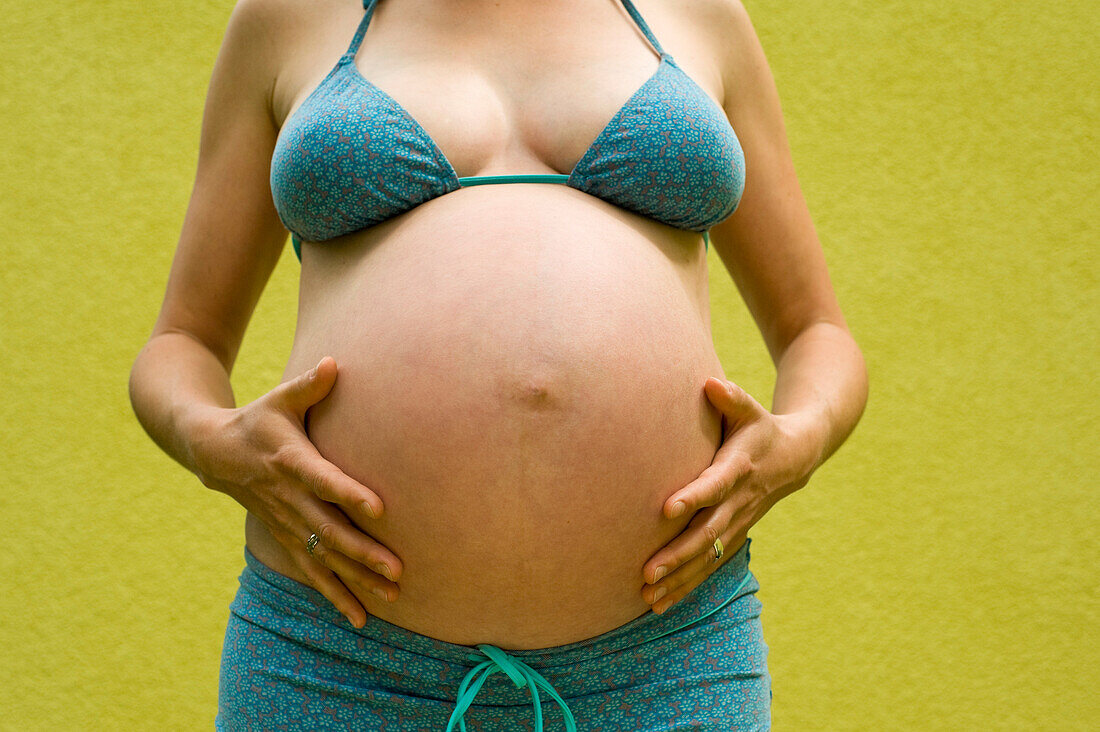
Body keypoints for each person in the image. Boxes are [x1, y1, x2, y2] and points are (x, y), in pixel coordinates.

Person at [129, 0, 867, 728]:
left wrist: (797, 443)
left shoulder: (696, 16)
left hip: (667, 662)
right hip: (339, 663)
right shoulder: (286, 19)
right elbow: (183, 343)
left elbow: (814, 331)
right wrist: (213, 443)